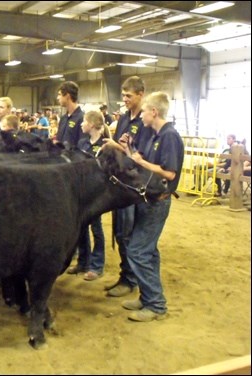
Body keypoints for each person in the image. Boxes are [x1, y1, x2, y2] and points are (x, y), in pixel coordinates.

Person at [119, 91, 184, 322]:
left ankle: (156, 305)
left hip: (158, 202)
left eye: (144, 111)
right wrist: (129, 151)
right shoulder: (154, 134)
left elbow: (169, 172)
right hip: (148, 200)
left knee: (137, 251)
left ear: (153, 112)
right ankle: (148, 297)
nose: (141, 116)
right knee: (149, 252)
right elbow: (143, 161)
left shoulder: (169, 136)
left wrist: (142, 161)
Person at [103, 76, 155, 298]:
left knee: (130, 234)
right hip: (121, 183)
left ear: (140, 95)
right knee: (120, 232)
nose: (124, 99)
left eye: (128, 96)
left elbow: (142, 155)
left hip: (137, 185)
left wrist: (117, 146)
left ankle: (130, 279)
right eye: (123, 95)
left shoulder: (145, 122)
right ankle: (126, 275)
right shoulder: (124, 118)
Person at [67, 110, 111, 280]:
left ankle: (97, 265)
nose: (81, 124)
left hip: (97, 194)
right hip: (83, 192)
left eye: (84, 121)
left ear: (91, 124)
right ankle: (83, 262)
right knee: (81, 228)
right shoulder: (83, 143)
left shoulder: (105, 145)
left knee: (97, 229)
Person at [55, 81, 84, 148]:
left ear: (67, 96)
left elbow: (82, 146)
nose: (57, 98)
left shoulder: (82, 119)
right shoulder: (63, 119)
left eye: (59, 94)